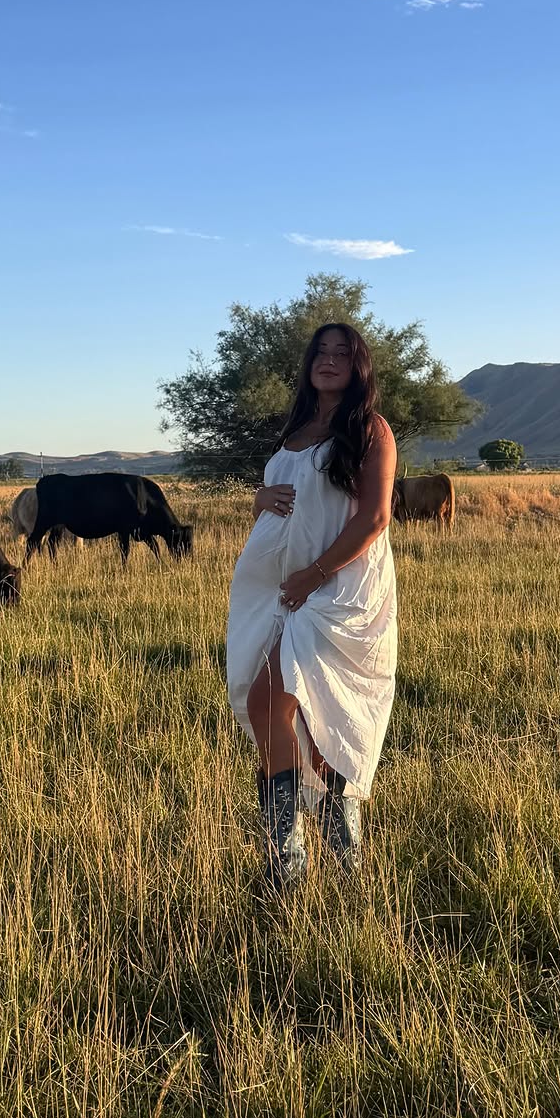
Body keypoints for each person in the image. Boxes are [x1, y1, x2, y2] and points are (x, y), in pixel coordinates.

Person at [226, 323, 398, 887]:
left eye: (341, 353)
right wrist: (259, 497)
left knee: (269, 701)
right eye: (319, 352)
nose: (328, 361)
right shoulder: (297, 429)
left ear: (358, 365)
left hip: (339, 588)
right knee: (291, 711)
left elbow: (374, 518)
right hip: (290, 589)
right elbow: (285, 496)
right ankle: (327, 854)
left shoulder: (370, 430)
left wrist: (314, 574)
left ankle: (293, 860)